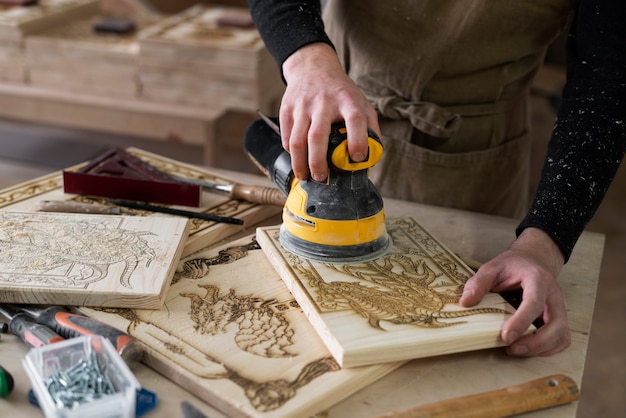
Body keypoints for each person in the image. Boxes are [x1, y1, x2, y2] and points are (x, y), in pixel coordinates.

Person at [247, 0, 626, 357]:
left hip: (475, 157)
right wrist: (308, 61)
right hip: (338, 98)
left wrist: (541, 247)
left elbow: (607, 79)